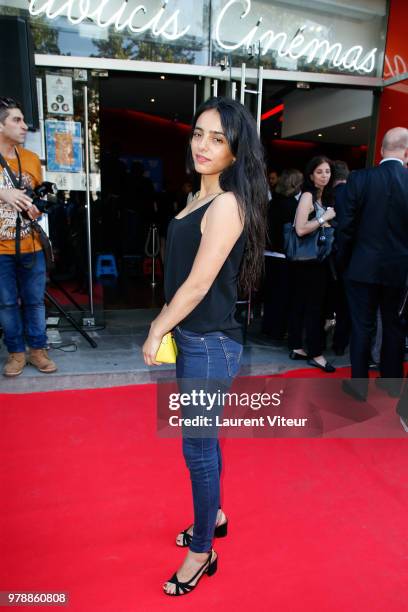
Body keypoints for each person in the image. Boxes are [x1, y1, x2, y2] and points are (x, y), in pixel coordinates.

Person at [142, 97, 268, 595]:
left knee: (196, 447)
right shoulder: (197, 198)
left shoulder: (227, 204)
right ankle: (213, 516)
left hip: (209, 344)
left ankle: (202, 550)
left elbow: (196, 286)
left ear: (236, 152)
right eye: (199, 133)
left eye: (218, 138)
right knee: (204, 441)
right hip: (196, 340)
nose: (203, 144)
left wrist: (156, 327)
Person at [336, 127, 408, 412]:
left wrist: (344, 262)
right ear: (406, 152)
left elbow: (346, 227)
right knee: (394, 325)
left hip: (361, 267)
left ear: (380, 150)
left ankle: (359, 385)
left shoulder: (359, 178)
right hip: (398, 271)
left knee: (361, 326)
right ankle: (391, 382)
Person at [0, 97, 57, 377]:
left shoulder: (32, 160)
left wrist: (35, 209)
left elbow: (34, 198)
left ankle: (38, 350)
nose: (24, 126)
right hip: (0, 250)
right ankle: (15, 353)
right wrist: (3, 192)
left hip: (31, 244)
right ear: (1, 125)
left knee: (35, 301)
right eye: (17, 120)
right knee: (7, 303)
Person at [287, 156, 337, 373]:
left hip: (309, 262)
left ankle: (297, 346)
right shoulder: (308, 195)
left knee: (300, 304)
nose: (325, 175)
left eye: (327, 171)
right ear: (310, 175)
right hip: (310, 262)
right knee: (314, 308)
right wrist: (323, 218)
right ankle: (316, 354)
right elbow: (300, 229)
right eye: (320, 172)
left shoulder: (318, 196)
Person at [262, 168, 303, 342]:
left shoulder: (272, 203)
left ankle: (268, 328)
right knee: (283, 296)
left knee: (270, 294)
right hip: (284, 256)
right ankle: (278, 331)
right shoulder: (293, 206)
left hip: (267, 254)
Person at [331, 160, 351, 355]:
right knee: (344, 304)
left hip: (325, 255)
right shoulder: (352, 194)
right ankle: (339, 344)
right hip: (345, 256)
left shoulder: (328, 195)